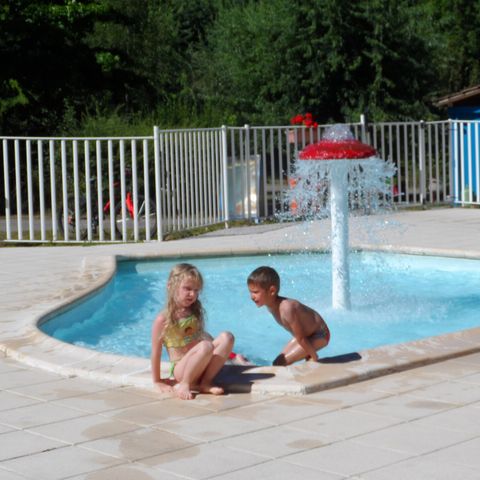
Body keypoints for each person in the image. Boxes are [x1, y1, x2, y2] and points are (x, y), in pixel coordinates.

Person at [151, 263, 235, 400]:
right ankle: (185, 383)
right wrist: (157, 381)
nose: (193, 294)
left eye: (196, 290)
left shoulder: (193, 312)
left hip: (201, 363)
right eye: (188, 289)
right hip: (181, 369)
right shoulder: (163, 319)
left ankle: (205, 382)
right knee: (206, 346)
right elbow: (156, 352)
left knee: (227, 337)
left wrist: (228, 355)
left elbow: (202, 337)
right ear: (171, 286)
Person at [247, 266, 330, 366]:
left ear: (272, 291)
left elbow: (301, 338)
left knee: (281, 363)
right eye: (250, 292)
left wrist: (313, 357)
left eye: (255, 292)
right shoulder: (270, 305)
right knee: (277, 362)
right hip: (306, 335)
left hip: (320, 334)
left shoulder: (287, 308)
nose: (252, 297)